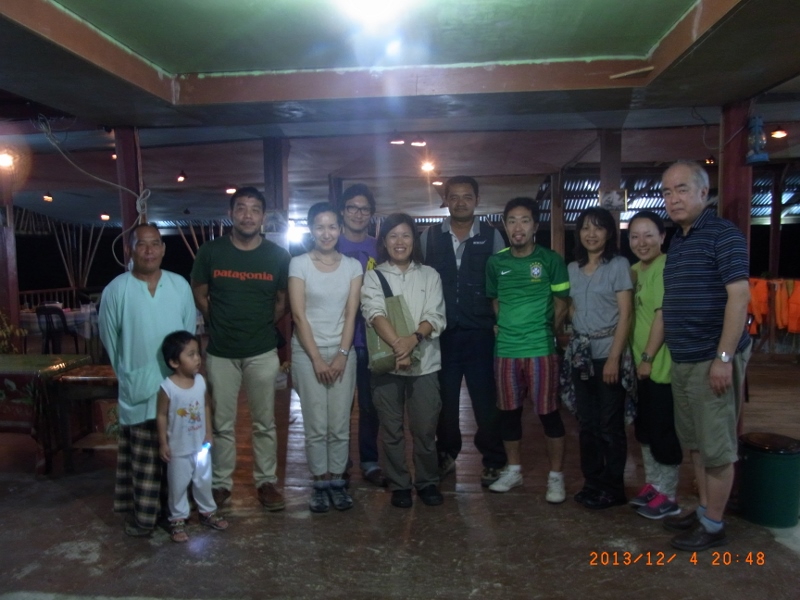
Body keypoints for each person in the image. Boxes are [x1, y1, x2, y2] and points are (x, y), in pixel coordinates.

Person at [660, 160, 751, 551]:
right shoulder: (678, 240)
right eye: (667, 192)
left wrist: (724, 358)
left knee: (716, 448)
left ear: (703, 192)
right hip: (683, 358)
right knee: (696, 443)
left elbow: (739, 297)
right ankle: (703, 511)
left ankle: (714, 524)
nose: (673, 198)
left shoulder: (723, 234)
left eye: (681, 189)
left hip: (712, 358)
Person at [191, 187, 291, 512]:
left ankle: (266, 482)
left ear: (263, 217)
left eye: (254, 209)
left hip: (262, 350)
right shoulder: (211, 251)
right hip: (221, 351)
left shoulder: (278, 256)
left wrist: (259, 324)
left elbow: (282, 302)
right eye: (241, 208)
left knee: (265, 422)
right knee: (222, 423)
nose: (248, 215)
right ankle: (221, 484)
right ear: (231, 214)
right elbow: (200, 293)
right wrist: (218, 321)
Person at [99, 223, 197, 537]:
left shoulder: (179, 285)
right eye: (142, 244)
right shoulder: (117, 289)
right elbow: (111, 342)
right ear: (130, 249)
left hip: (175, 388)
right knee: (143, 459)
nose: (150, 250)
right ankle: (144, 517)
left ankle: (175, 515)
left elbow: (187, 336)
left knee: (176, 458)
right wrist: (129, 374)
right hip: (139, 390)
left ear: (164, 249)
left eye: (155, 243)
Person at [421, 176, 507, 486]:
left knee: (486, 402)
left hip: (481, 333)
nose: (460, 202)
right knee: (444, 403)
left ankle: (493, 459)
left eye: (467, 197)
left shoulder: (492, 236)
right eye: (454, 197)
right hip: (442, 334)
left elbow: (502, 284)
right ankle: (446, 453)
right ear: (445, 200)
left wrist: (501, 322)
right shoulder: (429, 237)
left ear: (477, 200)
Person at [485, 197, 569, 500]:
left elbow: (562, 303)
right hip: (506, 350)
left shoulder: (550, 260)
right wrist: (506, 325)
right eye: (511, 221)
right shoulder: (496, 263)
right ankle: (514, 471)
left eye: (524, 220)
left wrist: (545, 330)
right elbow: (495, 300)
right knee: (508, 414)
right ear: (505, 225)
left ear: (535, 225)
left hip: (540, 349)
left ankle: (556, 477)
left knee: (549, 414)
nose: (517, 227)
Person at [361, 213, 446, 508]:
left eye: (406, 235)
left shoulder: (430, 275)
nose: (400, 241)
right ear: (384, 241)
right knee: (391, 429)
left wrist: (413, 340)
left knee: (425, 429)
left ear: (414, 240)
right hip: (388, 364)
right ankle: (399, 484)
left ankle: (427, 481)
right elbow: (373, 313)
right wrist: (401, 346)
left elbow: (436, 315)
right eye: (393, 236)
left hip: (425, 365)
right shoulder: (374, 276)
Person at [289, 202, 362, 513]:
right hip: (308, 353)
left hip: (343, 351)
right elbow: (298, 315)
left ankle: (338, 482)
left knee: (340, 424)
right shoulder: (299, 264)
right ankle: (320, 482)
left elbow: (351, 314)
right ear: (311, 230)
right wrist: (317, 359)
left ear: (340, 229)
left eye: (332, 226)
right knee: (317, 424)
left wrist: (342, 354)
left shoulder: (353, 267)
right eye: (320, 226)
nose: (327, 233)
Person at [564, 207, 634, 510]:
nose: (591, 234)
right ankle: (592, 482)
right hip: (581, 356)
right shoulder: (572, 268)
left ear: (609, 233)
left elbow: (626, 314)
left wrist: (614, 358)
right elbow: (570, 309)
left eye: (598, 228)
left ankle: (614, 488)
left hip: (608, 353)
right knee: (587, 424)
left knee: (610, 425)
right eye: (585, 228)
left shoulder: (618, 265)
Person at [628, 211, 682, 519]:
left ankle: (669, 495)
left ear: (662, 237)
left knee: (663, 431)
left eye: (649, 235)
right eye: (635, 236)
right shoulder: (634, 271)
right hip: (639, 366)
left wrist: (648, 357)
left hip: (659, 365)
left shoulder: (666, 266)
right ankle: (653, 486)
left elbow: (662, 316)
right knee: (645, 430)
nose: (642, 242)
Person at [336, 184, 387, 487]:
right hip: (337, 338)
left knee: (370, 406)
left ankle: (370, 462)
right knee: (339, 406)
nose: (358, 213)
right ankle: (339, 462)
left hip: (371, 338)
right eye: (352, 207)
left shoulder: (380, 247)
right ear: (343, 211)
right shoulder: (331, 243)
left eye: (364, 208)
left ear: (371, 214)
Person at [157, 330, 229, 542]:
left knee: (204, 481)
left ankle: (208, 512)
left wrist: (208, 433)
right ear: (174, 362)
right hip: (178, 449)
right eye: (191, 354)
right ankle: (177, 519)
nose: (197, 358)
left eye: (198, 353)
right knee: (178, 486)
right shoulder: (168, 387)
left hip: (200, 446)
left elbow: (206, 406)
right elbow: (161, 415)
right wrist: (163, 443)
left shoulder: (200, 381)